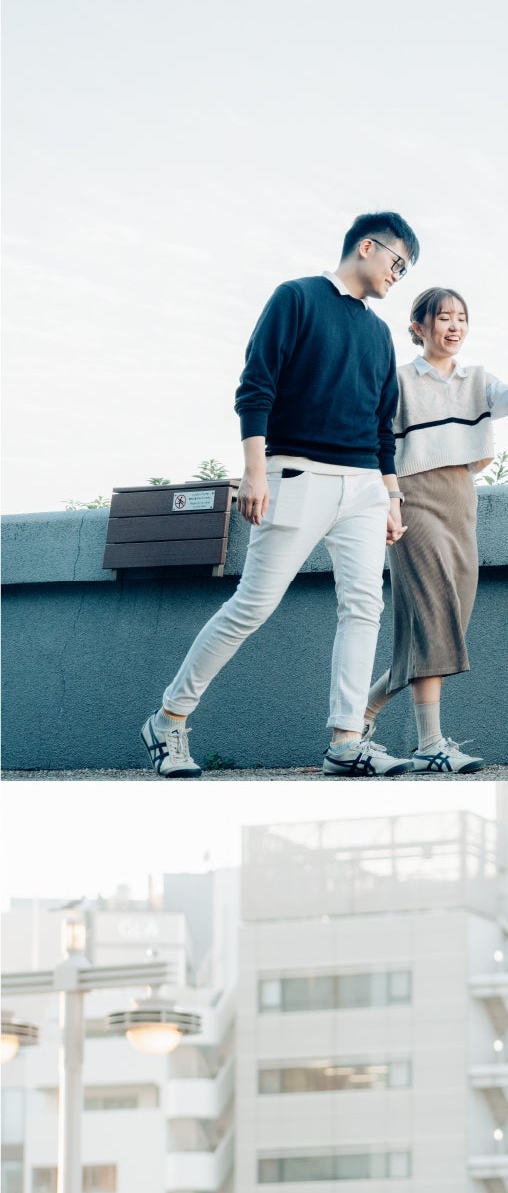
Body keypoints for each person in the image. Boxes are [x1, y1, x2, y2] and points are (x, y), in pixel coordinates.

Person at [142, 213, 423, 779]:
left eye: (406, 269)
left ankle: (346, 742)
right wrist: (254, 472)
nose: (399, 275)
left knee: (363, 608)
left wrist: (391, 496)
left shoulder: (378, 333)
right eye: (398, 262)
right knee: (252, 605)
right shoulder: (296, 297)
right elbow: (256, 386)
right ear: (367, 247)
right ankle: (169, 718)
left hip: (364, 489)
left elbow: (381, 425)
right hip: (296, 475)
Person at [364, 287, 508, 771]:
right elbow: (375, 440)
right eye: (444, 317)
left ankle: (361, 716)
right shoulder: (397, 380)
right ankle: (430, 744)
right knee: (435, 618)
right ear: (419, 326)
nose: (454, 326)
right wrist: (387, 500)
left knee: (446, 623)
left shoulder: (476, 379)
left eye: (461, 317)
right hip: (413, 497)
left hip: (461, 498)